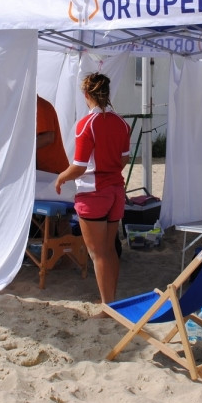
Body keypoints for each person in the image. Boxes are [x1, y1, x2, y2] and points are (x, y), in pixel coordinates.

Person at [55, 73, 131, 308]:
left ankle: (107, 307)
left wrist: (61, 177)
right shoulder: (121, 123)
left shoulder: (86, 124)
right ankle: (112, 300)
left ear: (86, 94)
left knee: (97, 254)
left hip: (94, 193)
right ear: (107, 94)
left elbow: (78, 167)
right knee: (110, 250)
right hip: (116, 191)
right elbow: (124, 159)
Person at [36, 95, 69, 174]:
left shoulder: (39, 105)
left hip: (53, 173)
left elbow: (48, 138)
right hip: (45, 172)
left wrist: (22, 148)